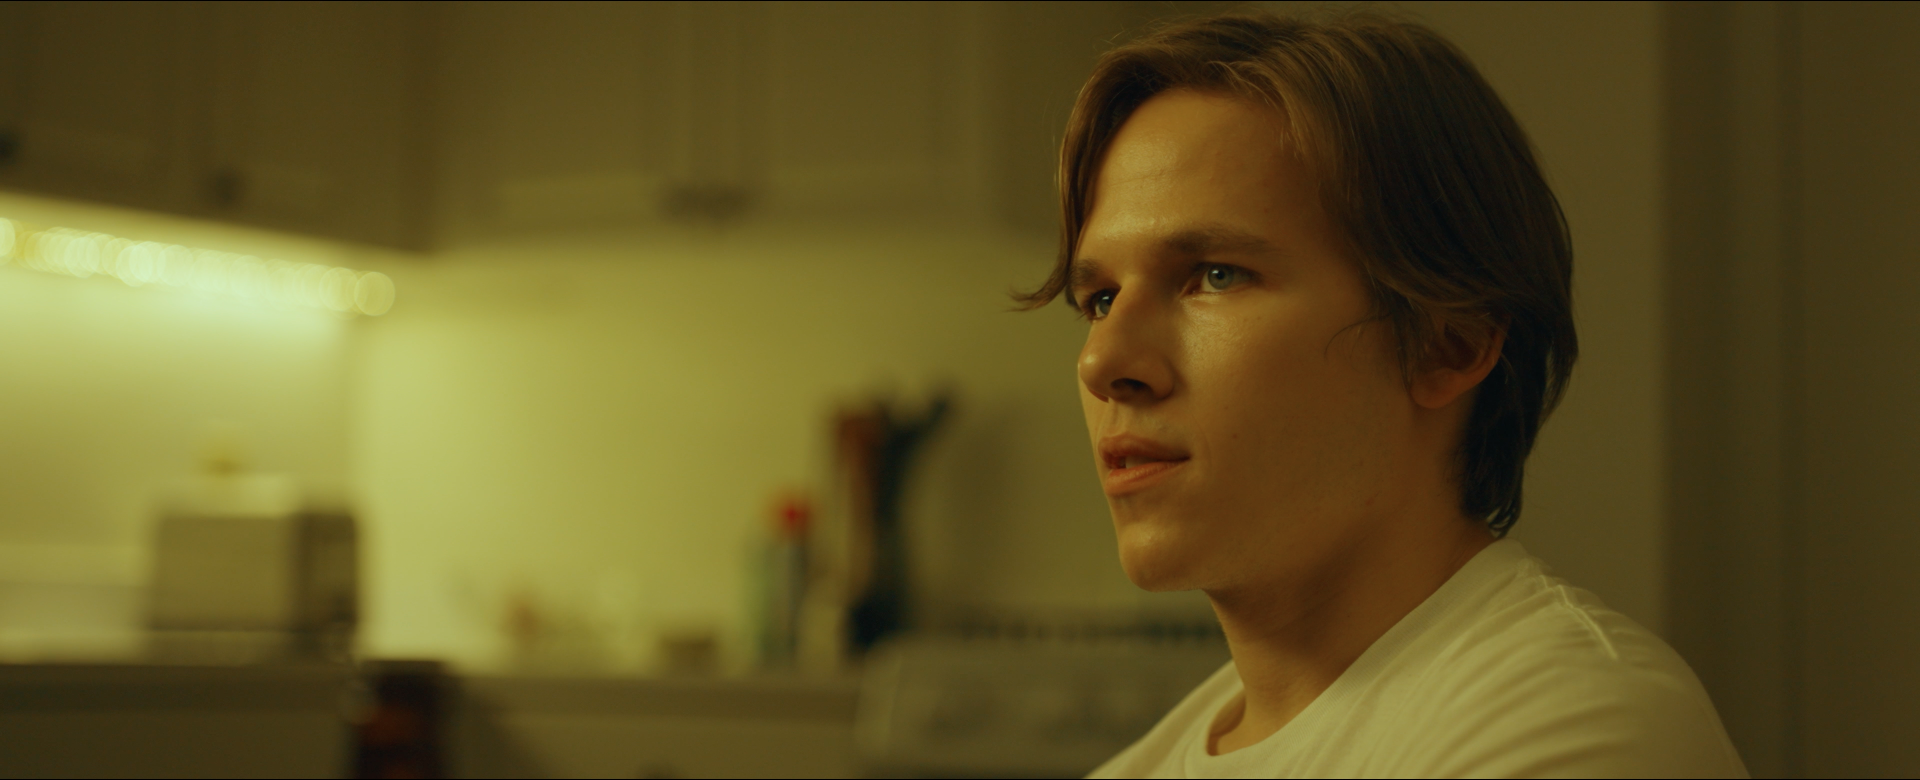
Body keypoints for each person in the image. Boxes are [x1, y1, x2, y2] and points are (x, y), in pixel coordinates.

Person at [1015, 11, 1747, 778]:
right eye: (1098, 298)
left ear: (1447, 342)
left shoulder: (1583, 725)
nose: (1103, 360)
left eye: (1215, 275)